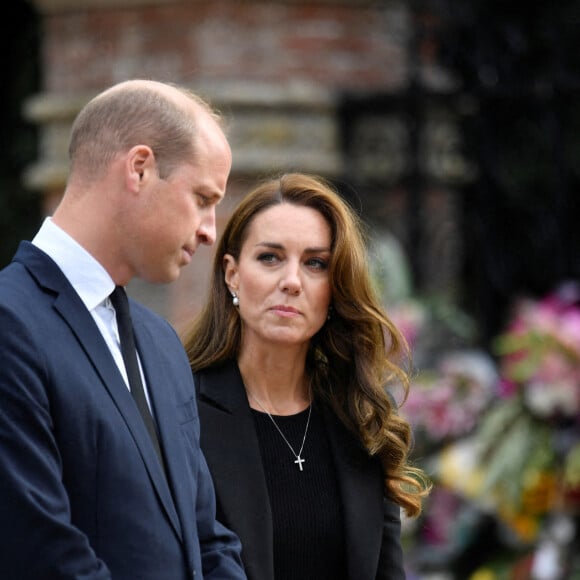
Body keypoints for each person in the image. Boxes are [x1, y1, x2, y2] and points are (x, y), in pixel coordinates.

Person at [0, 79, 246, 579]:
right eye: (202, 198)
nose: (210, 231)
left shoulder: (161, 345)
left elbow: (207, 537)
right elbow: (39, 551)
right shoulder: (10, 321)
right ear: (139, 169)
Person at [183, 172, 431, 580]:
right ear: (232, 274)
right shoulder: (182, 408)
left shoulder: (361, 412)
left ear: (335, 288)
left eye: (315, 264)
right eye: (270, 258)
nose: (292, 282)